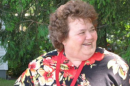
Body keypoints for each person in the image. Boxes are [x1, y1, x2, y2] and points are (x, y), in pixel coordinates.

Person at [14, 0, 130, 86]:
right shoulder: (40, 67)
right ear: (63, 38)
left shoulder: (114, 65)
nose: (90, 36)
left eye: (92, 30)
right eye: (82, 32)